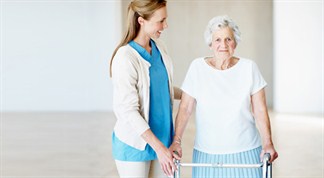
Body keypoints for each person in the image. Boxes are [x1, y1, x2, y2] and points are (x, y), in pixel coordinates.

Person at [169, 15, 278, 178]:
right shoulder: (197, 67)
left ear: (236, 42)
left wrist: (268, 143)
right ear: (210, 43)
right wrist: (176, 141)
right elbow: (185, 109)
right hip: (207, 154)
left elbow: (260, 110)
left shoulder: (249, 68)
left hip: (246, 152)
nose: (223, 45)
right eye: (218, 40)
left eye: (228, 39)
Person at [109, 0, 181, 177]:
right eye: (160, 20)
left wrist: (190, 94)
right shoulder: (125, 57)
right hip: (135, 145)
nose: (165, 25)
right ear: (141, 21)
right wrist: (160, 149)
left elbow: (160, 87)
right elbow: (129, 111)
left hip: (164, 140)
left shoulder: (159, 48)